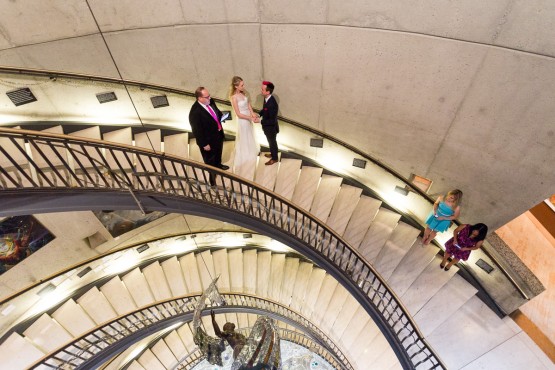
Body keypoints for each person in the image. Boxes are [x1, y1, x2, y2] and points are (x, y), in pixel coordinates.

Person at [189, 87, 229, 184]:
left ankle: (218, 165)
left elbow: (216, 111)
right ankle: (212, 179)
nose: (210, 98)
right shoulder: (195, 113)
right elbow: (197, 131)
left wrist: (221, 116)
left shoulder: (210, 101)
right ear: (199, 98)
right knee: (210, 161)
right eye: (207, 97)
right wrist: (204, 144)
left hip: (218, 135)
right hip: (208, 141)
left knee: (218, 153)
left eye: (209, 96)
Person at [230, 76, 259, 180]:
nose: (244, 86)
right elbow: (238, 114)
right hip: (242, 120)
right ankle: (245, 154)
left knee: (249, 134)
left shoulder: (244, 93)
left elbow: (248, 105)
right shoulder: (234, 98)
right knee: (244, 136)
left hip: (248, 117)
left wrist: (253, 114)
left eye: (243, 84)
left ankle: (251, 151)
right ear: (236, 86)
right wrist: (250, 118)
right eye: (242, 85)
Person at [255, 81, 279, 165]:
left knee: (272, 143)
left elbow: (272, 121)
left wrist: (260, 121)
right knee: (271, 142)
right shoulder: (267, 99)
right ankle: (273, 153)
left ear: (268, 92)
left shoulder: (272, 104)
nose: (261, 91)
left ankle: (275, 158)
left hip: (271, 128)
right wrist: (259, 114)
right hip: (267, 127)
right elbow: (264, 109)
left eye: (262, 89)